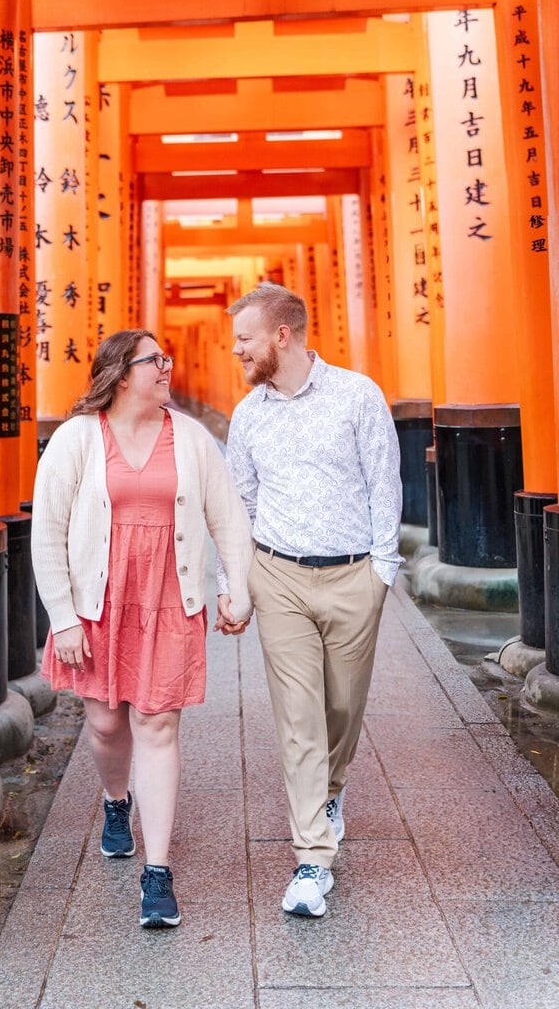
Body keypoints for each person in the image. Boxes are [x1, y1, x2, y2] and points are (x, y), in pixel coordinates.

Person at [31, 328, 253, 929]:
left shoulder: (191, 438)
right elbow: (47, 531)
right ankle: (114, 801)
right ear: (121, 373)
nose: (167, 368)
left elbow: (227, 515)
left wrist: (238, 586)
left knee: (156, 724)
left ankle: (157, 873)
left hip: (168, 599)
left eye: (168, 358)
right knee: (105, 723)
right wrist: (64, 617)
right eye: (155, 360)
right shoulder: (78, 438)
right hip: (99, 606)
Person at [224, 283, 402, 918]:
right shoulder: (248, 415)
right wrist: (237, 583)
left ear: (282, 335)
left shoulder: (358, 396)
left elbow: (386, 483)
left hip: (355, 576)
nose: (236, 351)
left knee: (342, 707)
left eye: (244, 339)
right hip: (280, 579)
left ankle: (331, 791)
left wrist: (382, 573)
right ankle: (310, 860)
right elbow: (240, 505)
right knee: (298, 719)